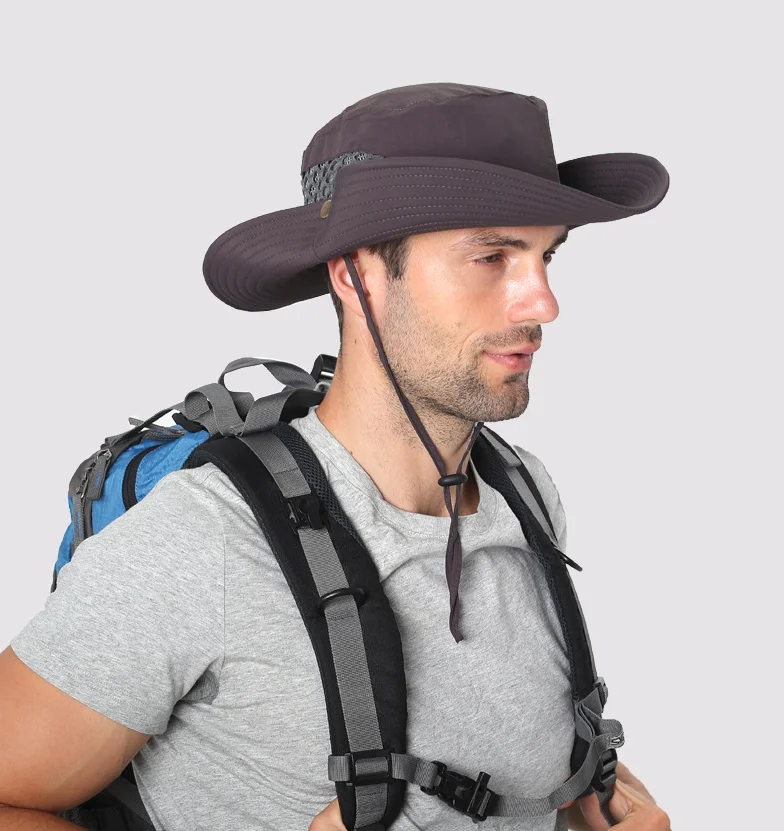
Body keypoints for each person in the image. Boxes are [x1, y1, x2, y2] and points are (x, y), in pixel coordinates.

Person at [0, 82, 672, 831]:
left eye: (547, 256)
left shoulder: (524, 492)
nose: (543, 303)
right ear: (355, 276)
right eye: (491, 257)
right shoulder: (207, 540)